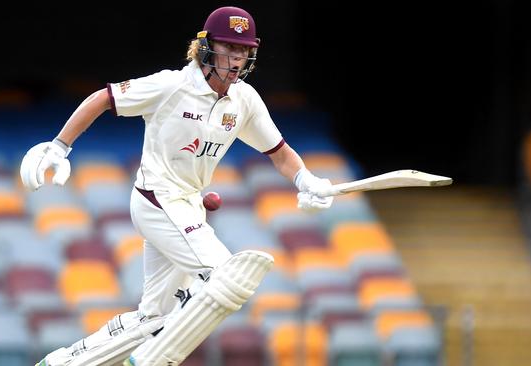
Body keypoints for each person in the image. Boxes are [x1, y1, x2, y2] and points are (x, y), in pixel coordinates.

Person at [20, 6, 334, 366]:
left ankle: (65, 362)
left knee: (154, 317)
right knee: (223, 275)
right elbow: (103, 98)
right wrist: (60, 147)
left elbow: (280, 153)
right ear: (206, 48)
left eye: (244, 51)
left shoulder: (244, 100)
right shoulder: (173, 85)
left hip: (188, 204)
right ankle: (151, 361)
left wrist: (306, 180)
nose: (237, 59)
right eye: (230, 49)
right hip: (156, 197)